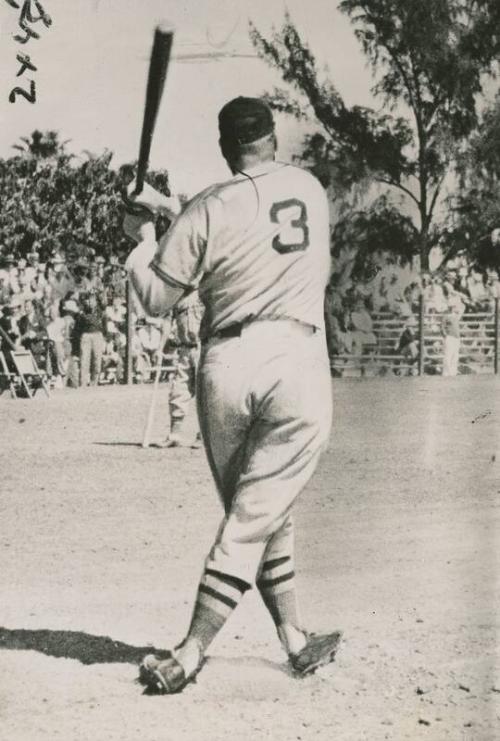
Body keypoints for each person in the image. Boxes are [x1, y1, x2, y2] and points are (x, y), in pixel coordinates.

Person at [124, 96, 340, 695]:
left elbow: (155, 297)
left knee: (257, 507)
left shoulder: (206, 208)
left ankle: (272, 641)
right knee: (261, 509)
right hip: (297, 360)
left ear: (225, 148)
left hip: (227, 365)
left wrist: (143, 236)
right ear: (272, 137)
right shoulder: (311, 188)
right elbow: (254, 213)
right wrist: (171, 210)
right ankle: (210, 649)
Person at [159, 290, 204, 447]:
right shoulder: (176, 295)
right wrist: (160, 348)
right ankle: (174, 435)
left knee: (204, 394)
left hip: (203, 348)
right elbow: (167, 322)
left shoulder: (205, 292)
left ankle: (203, 436)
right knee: (178, 389)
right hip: (184, 350)